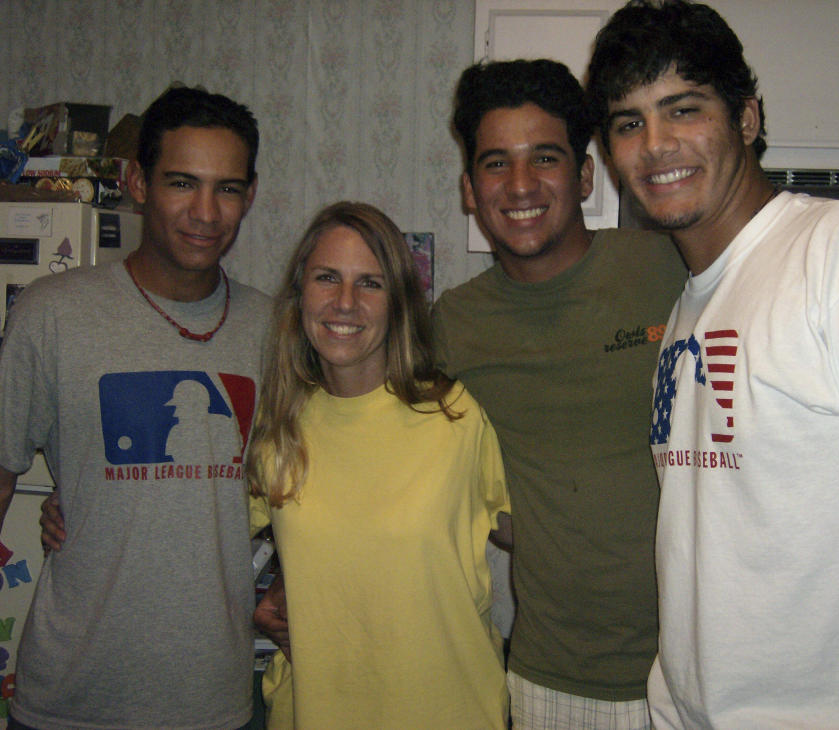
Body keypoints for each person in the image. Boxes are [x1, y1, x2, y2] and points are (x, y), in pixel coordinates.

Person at [586, 2, 839, 728]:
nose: (656, 145)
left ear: (747, 119)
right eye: (629, 123)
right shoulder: (694, 302)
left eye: (683, 109)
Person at [0, 86, 270, 729]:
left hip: (213, 701)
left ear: (250, 196)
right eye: (183, 182)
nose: (205, 212)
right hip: (68, 698)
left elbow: (298, 488)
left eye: (227, 189)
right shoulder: (51, 313)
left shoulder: (276, 329)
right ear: (137, 181)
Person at [434, 59, 687, 728]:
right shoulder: (452, 325)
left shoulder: (668, 267)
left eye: (544, 158)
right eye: (495, 163)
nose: (520, 185)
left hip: (705, 665)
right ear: (469, 188)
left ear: (584, 176)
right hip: (553, 680)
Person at [245, 201, 511, 729]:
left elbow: (534, 530)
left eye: (370, 283)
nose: (345, 303)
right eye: (327, 278)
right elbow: (206, 536)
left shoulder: (454, 416)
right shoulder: (279, 430)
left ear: (399, 303)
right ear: (300, 296)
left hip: (449, 713)